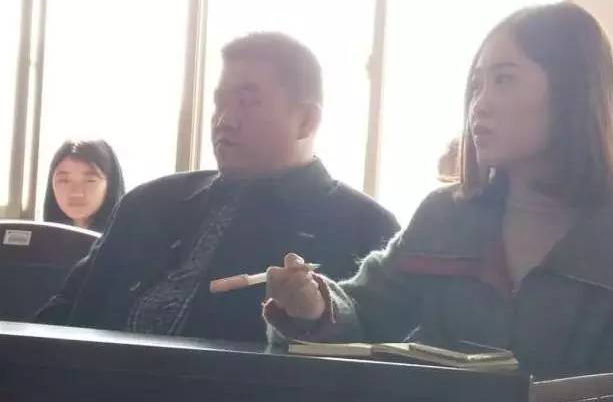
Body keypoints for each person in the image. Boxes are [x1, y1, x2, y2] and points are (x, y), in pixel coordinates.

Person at [263, 4, 613, 402]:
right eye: (476, 85)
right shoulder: (445, 218)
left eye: (504, 80)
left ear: (573, 92)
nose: (479, 106)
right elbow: (362, 316)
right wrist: (313, 306)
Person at [37, 32, 399, 342]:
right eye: (219, 103)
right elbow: (58, 318)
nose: (224, 121)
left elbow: (380, 365)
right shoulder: (150, 203)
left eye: (247, 103)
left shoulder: (364, 229)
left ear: (306, 120)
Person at [43, 139, 125, 232]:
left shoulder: (130, 236)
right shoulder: (39, 236)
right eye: (64, 180)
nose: (76, 193)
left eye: (90, 181)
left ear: (110, 184)